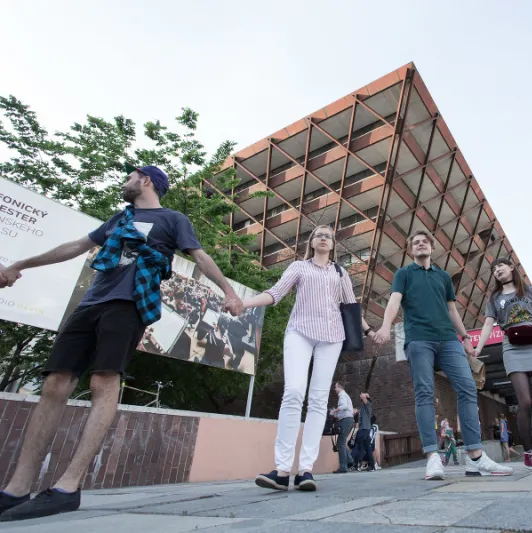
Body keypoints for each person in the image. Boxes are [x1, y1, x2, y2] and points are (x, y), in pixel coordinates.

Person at [0, 164, 244, 522]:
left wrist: (228, 292)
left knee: (103, 381)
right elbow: (76, 246)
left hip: (129, 303)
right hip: (91, 303)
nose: (125, 182)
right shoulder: (118, 219)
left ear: (145, 181)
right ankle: (16, 488)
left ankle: (68, 486)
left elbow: (201, 256)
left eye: (130, 177)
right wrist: (20, 264)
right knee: (54, 384)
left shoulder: (172, 219)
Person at [374, 229, 512, 480]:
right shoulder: (404, 273)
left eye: (424, 241)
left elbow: (452, 310)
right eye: (415, 243)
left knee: (468, 388)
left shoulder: (443, 276)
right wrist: (385, 325)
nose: (420, 245)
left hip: (449, 340)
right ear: (411, 250)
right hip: (418, 339)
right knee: (425, 392)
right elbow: (394, 301)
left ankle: (475, 458)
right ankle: (432, 456)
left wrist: (466, 338)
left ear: (432, 247)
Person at [248, 225, 375, 492]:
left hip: (332, 337)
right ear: (311, 241)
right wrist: (244, 303)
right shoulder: (298, 267)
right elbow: (276, 292)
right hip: (300, 332)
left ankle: (306, 470)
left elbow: (351, 309)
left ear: (333, 245)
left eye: (328, 236)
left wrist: (370, 331)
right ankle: (282, 470)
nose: (324, 239)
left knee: (318, 400)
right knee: (293, 391)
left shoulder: (340, 273)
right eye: (319, 235)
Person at [474, 257, 532, 472]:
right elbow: (488, 324)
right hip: (512, 347)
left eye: (500, 266)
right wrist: (478, 348)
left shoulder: (528, 291)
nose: (497, 270)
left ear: (511, 268)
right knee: (524, 401)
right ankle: (529, 455)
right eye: (494, 269)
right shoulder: (495, 297)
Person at [331, 382, 355, 474]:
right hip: (348, 420)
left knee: (340, 443)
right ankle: (349, 461)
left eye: (335, 387)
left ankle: (343, 467)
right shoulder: (345, 395)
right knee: (341, 443)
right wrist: (337, 414)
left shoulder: (342, 395)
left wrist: (334, 411)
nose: (334, 389)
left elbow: (344, 406)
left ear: (339, 387)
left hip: (346, 420)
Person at [351, 392, 376, 472]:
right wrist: (357, 412)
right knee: (367, 447)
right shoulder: (363, 407)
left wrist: (364, 395)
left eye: (364, 394)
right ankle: (371, 465)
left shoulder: (368, 404)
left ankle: (356, 464)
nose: (362, 394)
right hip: (364, 428)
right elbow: (361, 414)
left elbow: (364, 398)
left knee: (360, 446)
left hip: (364, 429)